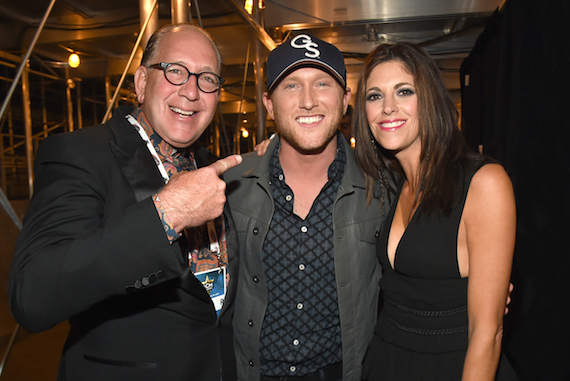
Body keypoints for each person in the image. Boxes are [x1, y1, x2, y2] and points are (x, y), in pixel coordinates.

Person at [9, 23, 241, 381]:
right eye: (176, 71)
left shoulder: (213, 169)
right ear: (142, 82)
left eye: (207, 79)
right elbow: (32, 295)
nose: (192, 91)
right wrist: (166, 215)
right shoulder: (82, 153)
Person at [224, 34, 386, 381]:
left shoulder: (382, 190)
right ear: (269, 104)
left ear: (345, 100)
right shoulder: (230, 186)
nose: (309, 101)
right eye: (292, 85)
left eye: (322, 84)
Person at [353, 42, 518, 380]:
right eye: (374, 96)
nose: (388, 108)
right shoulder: (392, 184)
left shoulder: (483, 183)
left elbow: (488, 335)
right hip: (388, 359)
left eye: (404, 91)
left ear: (429, 99)